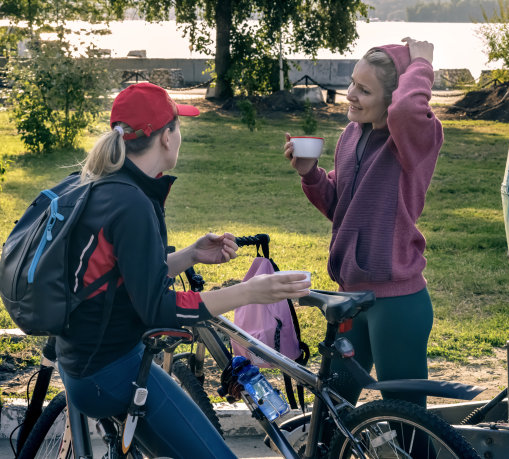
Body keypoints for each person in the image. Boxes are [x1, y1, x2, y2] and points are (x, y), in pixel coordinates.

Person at [57, 82, 311, 458]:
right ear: (165, 137)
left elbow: (123, 278)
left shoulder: (108, 184)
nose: (180, 138)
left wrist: (190, 255)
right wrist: (252, 291)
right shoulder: (133, 204)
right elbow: (157, 307)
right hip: (110, 371)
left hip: (82, 360)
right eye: (179, 127)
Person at [284, 37, 443, 408]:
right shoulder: (351, 135)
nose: (350, 95)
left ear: (393, 97)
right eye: (353, 82)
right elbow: (342, 208)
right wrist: (310, 175)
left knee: (408, 424)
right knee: (331, 411)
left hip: (397, 303)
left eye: (364, 90)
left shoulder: (418, 138)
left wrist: (421, 65)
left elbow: (406, 112)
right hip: (350, 297)